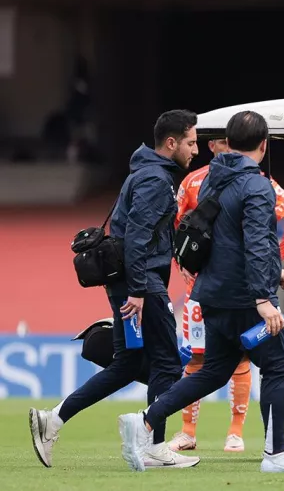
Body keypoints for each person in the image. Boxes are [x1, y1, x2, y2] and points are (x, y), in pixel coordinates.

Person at [117, 110, 284, 474]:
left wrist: (274, 274)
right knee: (277, 366)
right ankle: (275, 455)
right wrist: (263, 297)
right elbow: (258, 243)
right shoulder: (257, 185)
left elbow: (225, 241)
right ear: (263, 145)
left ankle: (146, 419)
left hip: (211, 294)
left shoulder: (211, 179)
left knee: (213, 371)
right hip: (245, 296)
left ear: (226, 143)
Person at [29, 110, 200, 469]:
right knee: (167, 364)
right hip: (142, 285)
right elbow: (137, 238)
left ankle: (53, 419)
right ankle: (153, 446)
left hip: (127, 282)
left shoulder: (143, 172)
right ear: (171, 143)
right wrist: (138, 291)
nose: (195, 150)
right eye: (191, 142)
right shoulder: (155, 180)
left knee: (126, 365)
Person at [168, 137, 284, 454]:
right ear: (213, 145)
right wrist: (184, 262)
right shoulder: (199, 181)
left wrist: (273, 265)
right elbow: (176, 228)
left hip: (221, 290)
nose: (224, 146)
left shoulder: (237, 181)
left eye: (229, 141)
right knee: (204, 359)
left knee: (229, 360)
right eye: (219, 141)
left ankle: (234, 433)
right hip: (216, 291)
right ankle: (190, 432)